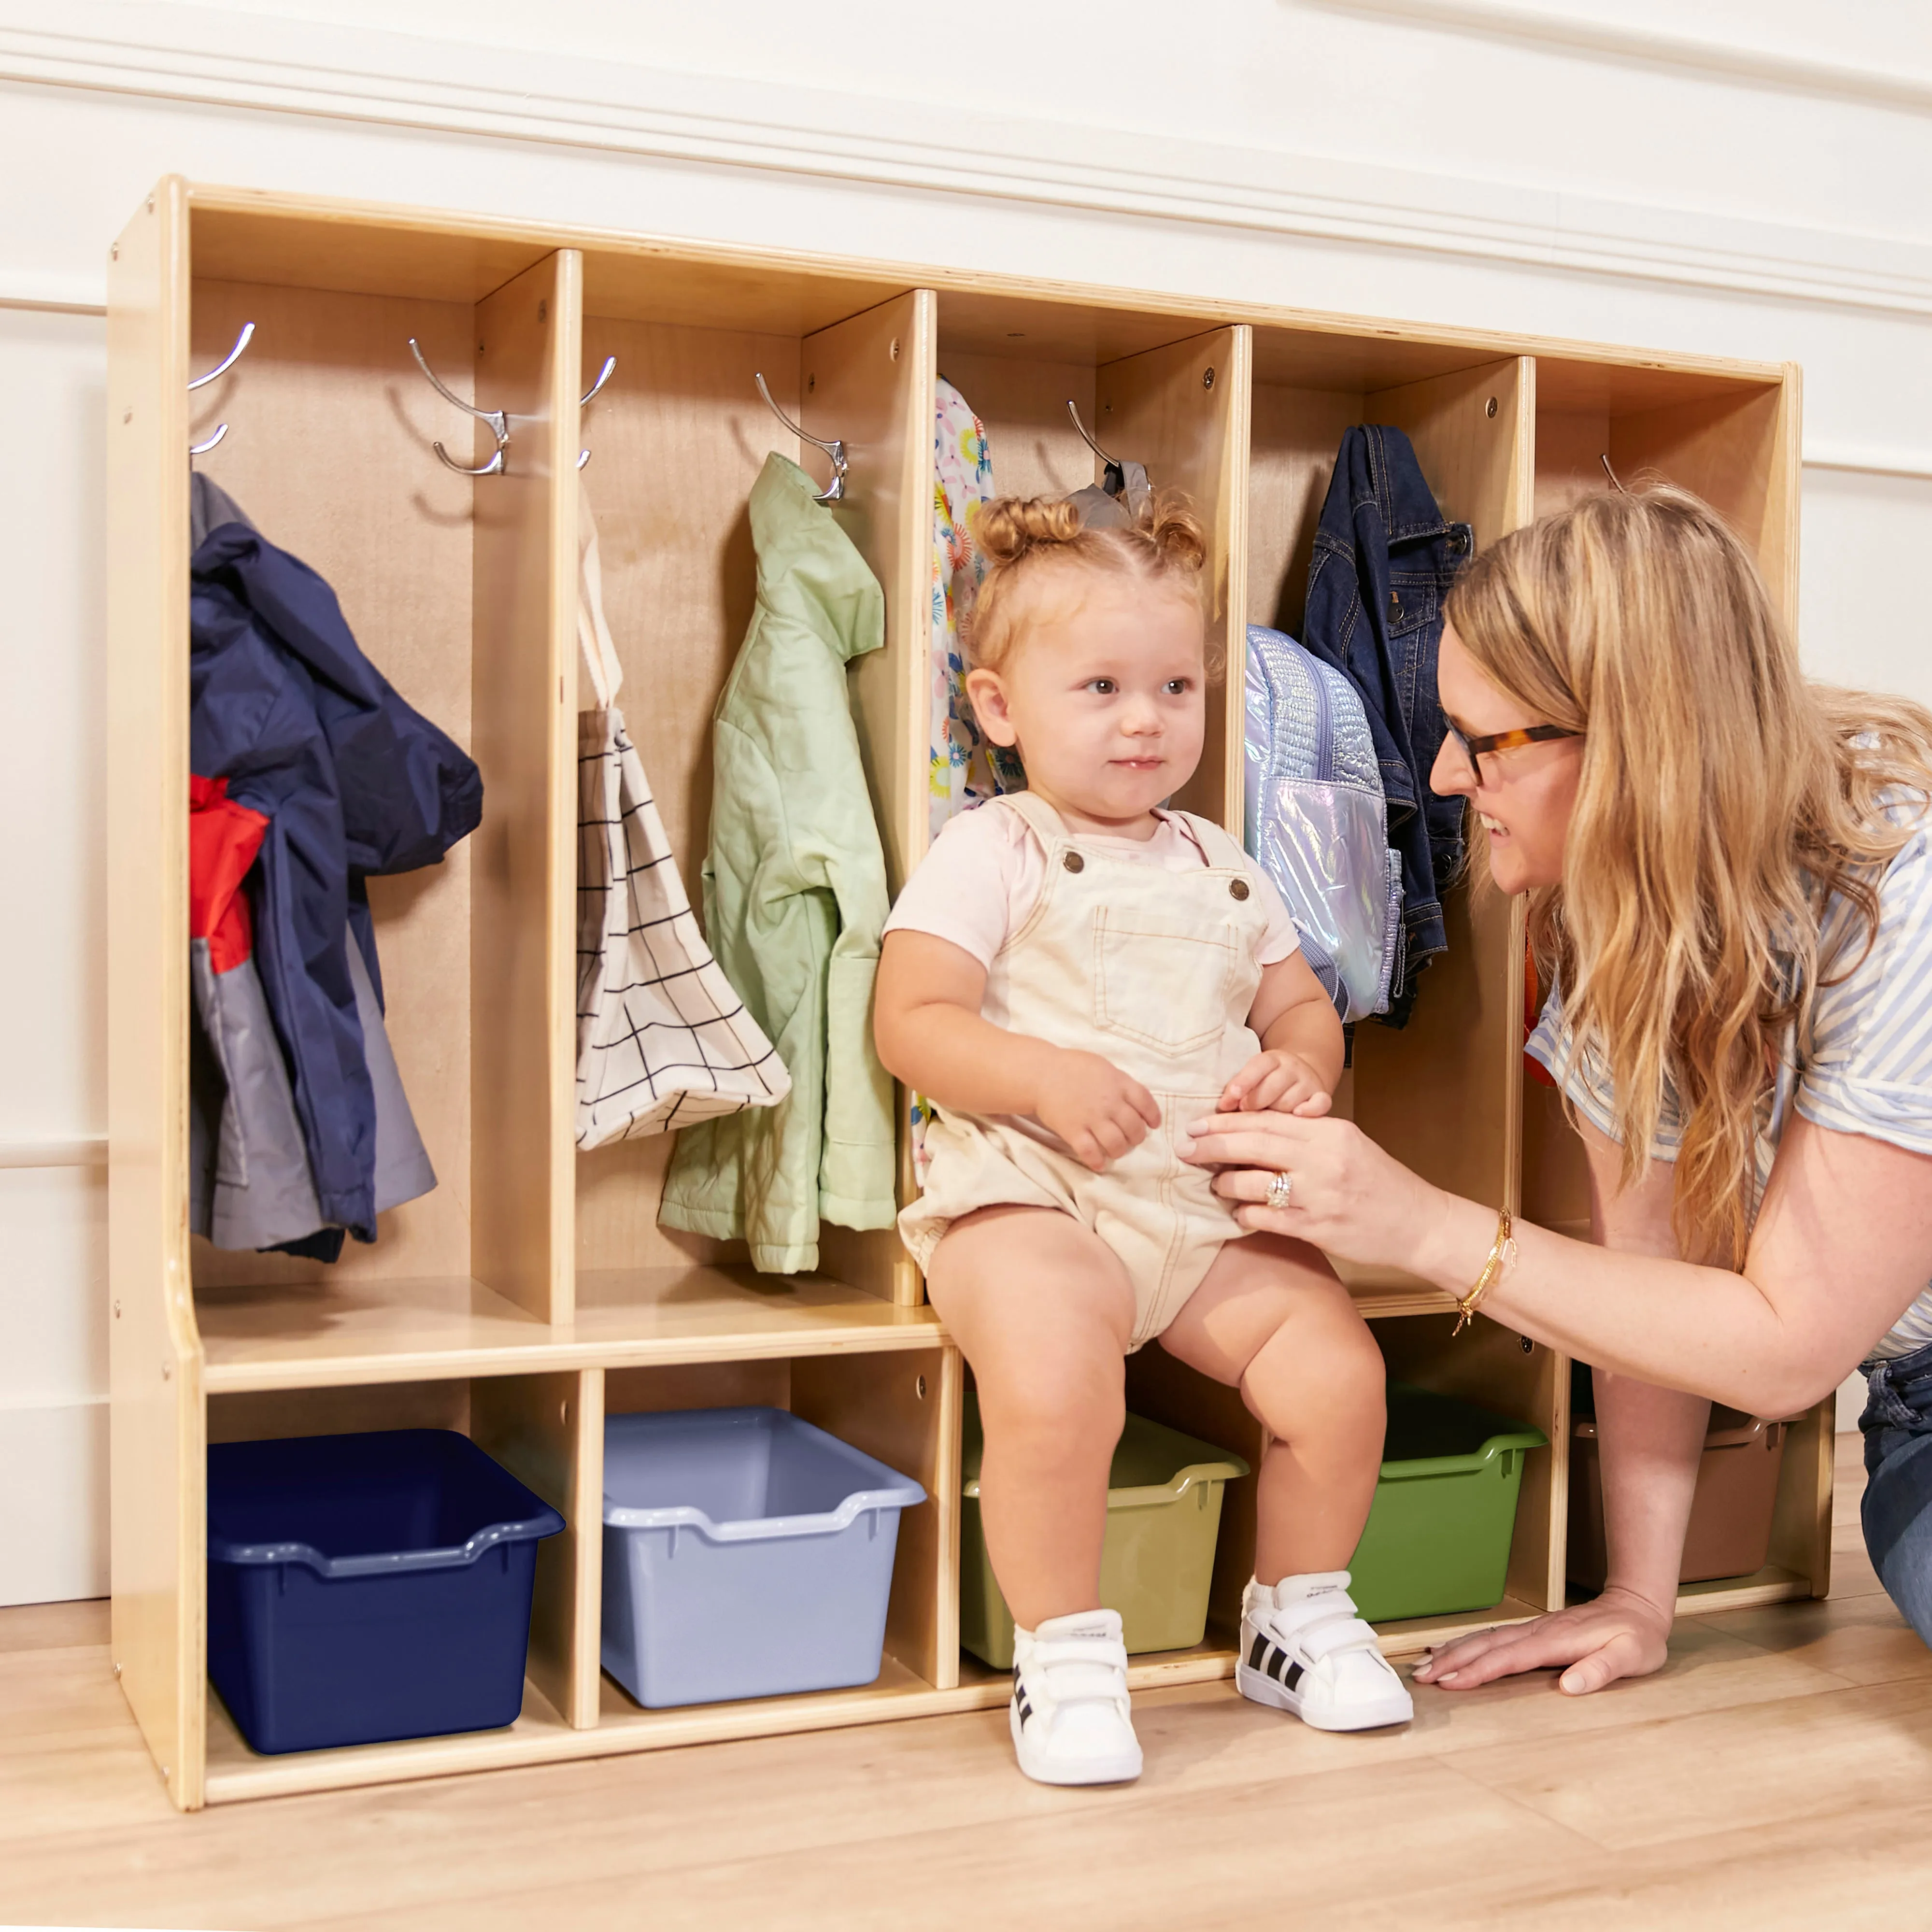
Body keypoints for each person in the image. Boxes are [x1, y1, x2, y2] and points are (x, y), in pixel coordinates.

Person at [1183, 484, 1932, 1699]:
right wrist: (1637, 1598)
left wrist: (1417, 1224)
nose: (1438, 772)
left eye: (1480, 741)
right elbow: (1652, 1283)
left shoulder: (1904, 906)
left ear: (1632, 740)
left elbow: (1790, 1350)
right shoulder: (1612, 922)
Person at [874, 493, 1414, 1788]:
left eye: (1176, 685)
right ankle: (1062, 1652)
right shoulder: (991, 847)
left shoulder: (1222, 860)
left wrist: (1305, 1062)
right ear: (1001, 709)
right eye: (1103, 686)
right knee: (1061, 1383)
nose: (1145, 718)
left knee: (1338, 1374)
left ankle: (1298, 1613)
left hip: (1197, 1205)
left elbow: (1297, 1003)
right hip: (1032, 1195)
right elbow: (914, 1021)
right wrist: (1042, 1075)